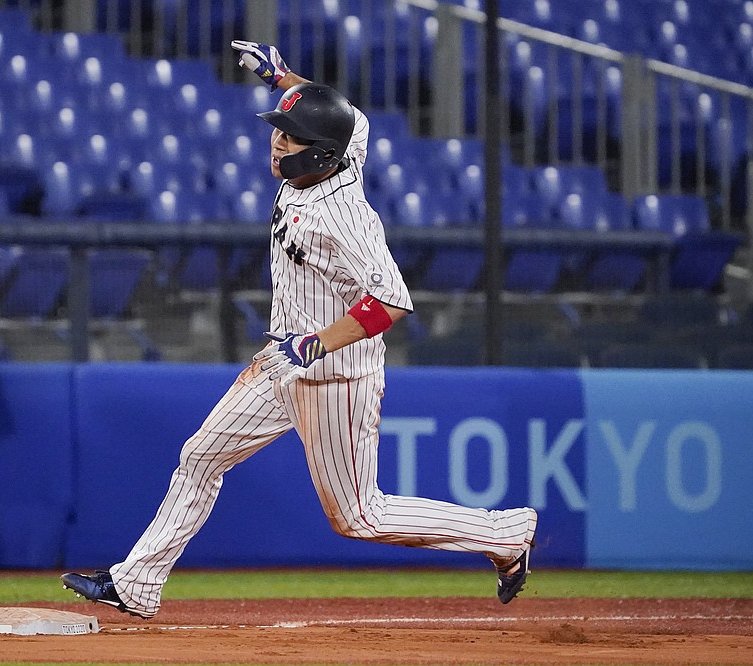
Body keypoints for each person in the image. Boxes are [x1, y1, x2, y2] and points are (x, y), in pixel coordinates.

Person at [61, 41, 537, 616]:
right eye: (279, 129)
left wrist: (313, 344)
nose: (278, 140)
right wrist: (282, 77)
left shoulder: (342, 217)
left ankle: (506, 534)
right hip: (281, 361)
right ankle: (137, 584)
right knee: (200, 457)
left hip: (335, 374)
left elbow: (391, 302)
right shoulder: (345, 146)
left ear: (323, 156)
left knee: (360, 516)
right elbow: (341, 115)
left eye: (291, 136)